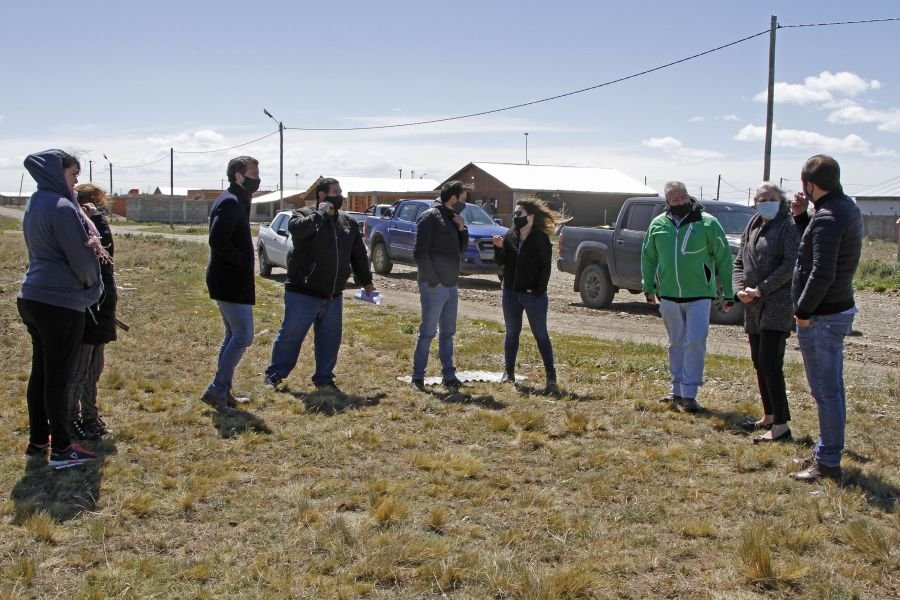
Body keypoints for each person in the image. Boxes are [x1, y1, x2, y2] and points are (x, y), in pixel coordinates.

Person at [18, 149, 104, 468]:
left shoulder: (36, 203)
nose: (77, 178)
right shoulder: (62, 207)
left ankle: (40, 440)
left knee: (41, 374)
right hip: (59, 301)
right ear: (56, 173)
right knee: (59, 378)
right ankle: (65, 449)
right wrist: (94, 289)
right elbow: (81, 259)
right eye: (73, 172)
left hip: (33, 297)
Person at [789, 155, 863, 483]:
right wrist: (802, 217)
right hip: (834, 310)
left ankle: (829, 460)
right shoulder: (842, 208)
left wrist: (803, 312)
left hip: (822, 315)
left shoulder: (829, 216)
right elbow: (819, 250)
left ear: (810, 184)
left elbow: (821, 271)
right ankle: (826, 450)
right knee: (831, 388)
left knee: (825, 390)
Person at [263, 178, 375, 393]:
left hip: (333, 294)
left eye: (341, 191)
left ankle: (324, 378)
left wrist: (366, 281)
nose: (340, 195)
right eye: (336, 191)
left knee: (330, 339)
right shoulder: (303, 215)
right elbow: (297, 231)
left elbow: (358, 254)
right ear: (322, 195)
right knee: (291, 336)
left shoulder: (347, 222)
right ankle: (274, 375)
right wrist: (320, 214)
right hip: (303, 292)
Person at [641, 181, 734, 413]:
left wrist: (729, 292)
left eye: (684, 197)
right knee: (675, 343)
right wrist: (649, 286)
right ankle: (676, 391)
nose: (681, 201)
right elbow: (648, 257)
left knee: (695, 342)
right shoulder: (658, 225)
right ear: (667, 202)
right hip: (670, 296)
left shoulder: (708, 223)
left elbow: (724, 259)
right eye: (675, 199)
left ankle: (690, 393)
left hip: (700, 295)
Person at [732, 182, 800, 443]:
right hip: (752, 305)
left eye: (770, 198)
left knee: (771, 363)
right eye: (761, 198)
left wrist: (761, 289)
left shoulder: (788, 225)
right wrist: (739, 289)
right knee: (759, 362)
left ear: (780, 200)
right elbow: (740, 261)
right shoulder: (753, 224)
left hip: (777, 304)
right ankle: (769, 415)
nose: (765, 202)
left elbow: (790, 264)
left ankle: (781, 426)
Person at [202, 156, 260, 412]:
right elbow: (218, 240)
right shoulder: (230, 201)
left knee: (232, 335)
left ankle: (223, 391)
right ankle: (217, 390)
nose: (257, 179)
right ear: (238, 175)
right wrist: (244, 261)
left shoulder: (236, 199)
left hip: (231, 279)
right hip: (229, 280)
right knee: (243, 335)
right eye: (254, 174)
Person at [491, 197, 563, 393]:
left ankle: (551, 376)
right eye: (515, 214)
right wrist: (498, 249)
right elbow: (501, 263)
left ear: (530, 216)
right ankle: (508, 373)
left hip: (533, 296)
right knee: (512, 333)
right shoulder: (510, 235)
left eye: (519, 214)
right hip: (511, 293)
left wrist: (537, 290)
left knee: (540, 334)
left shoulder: (540, 239)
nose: (516, 217)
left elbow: (545, 268)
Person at [409, 181, 470, 392]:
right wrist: (433, 279)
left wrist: (462, 228)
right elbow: (420, 252)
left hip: (452, 284)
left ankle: (449, 375)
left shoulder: (455, 219)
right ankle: (418, 377)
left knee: (448, 333)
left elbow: (461, 249)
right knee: (427, 332)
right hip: (434, 285)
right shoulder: (430, 217)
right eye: (463, 199)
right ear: (453, 198)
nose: (465, 203)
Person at [70, 183, 119, 440]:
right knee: (81, 368)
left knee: (94, 367)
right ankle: (72, 419)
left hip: (101, 304)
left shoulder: (92, 220)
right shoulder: (80, 222)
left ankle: (89, 415)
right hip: (89, 304)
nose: (101, 208)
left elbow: (106, 260)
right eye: (98, 203)